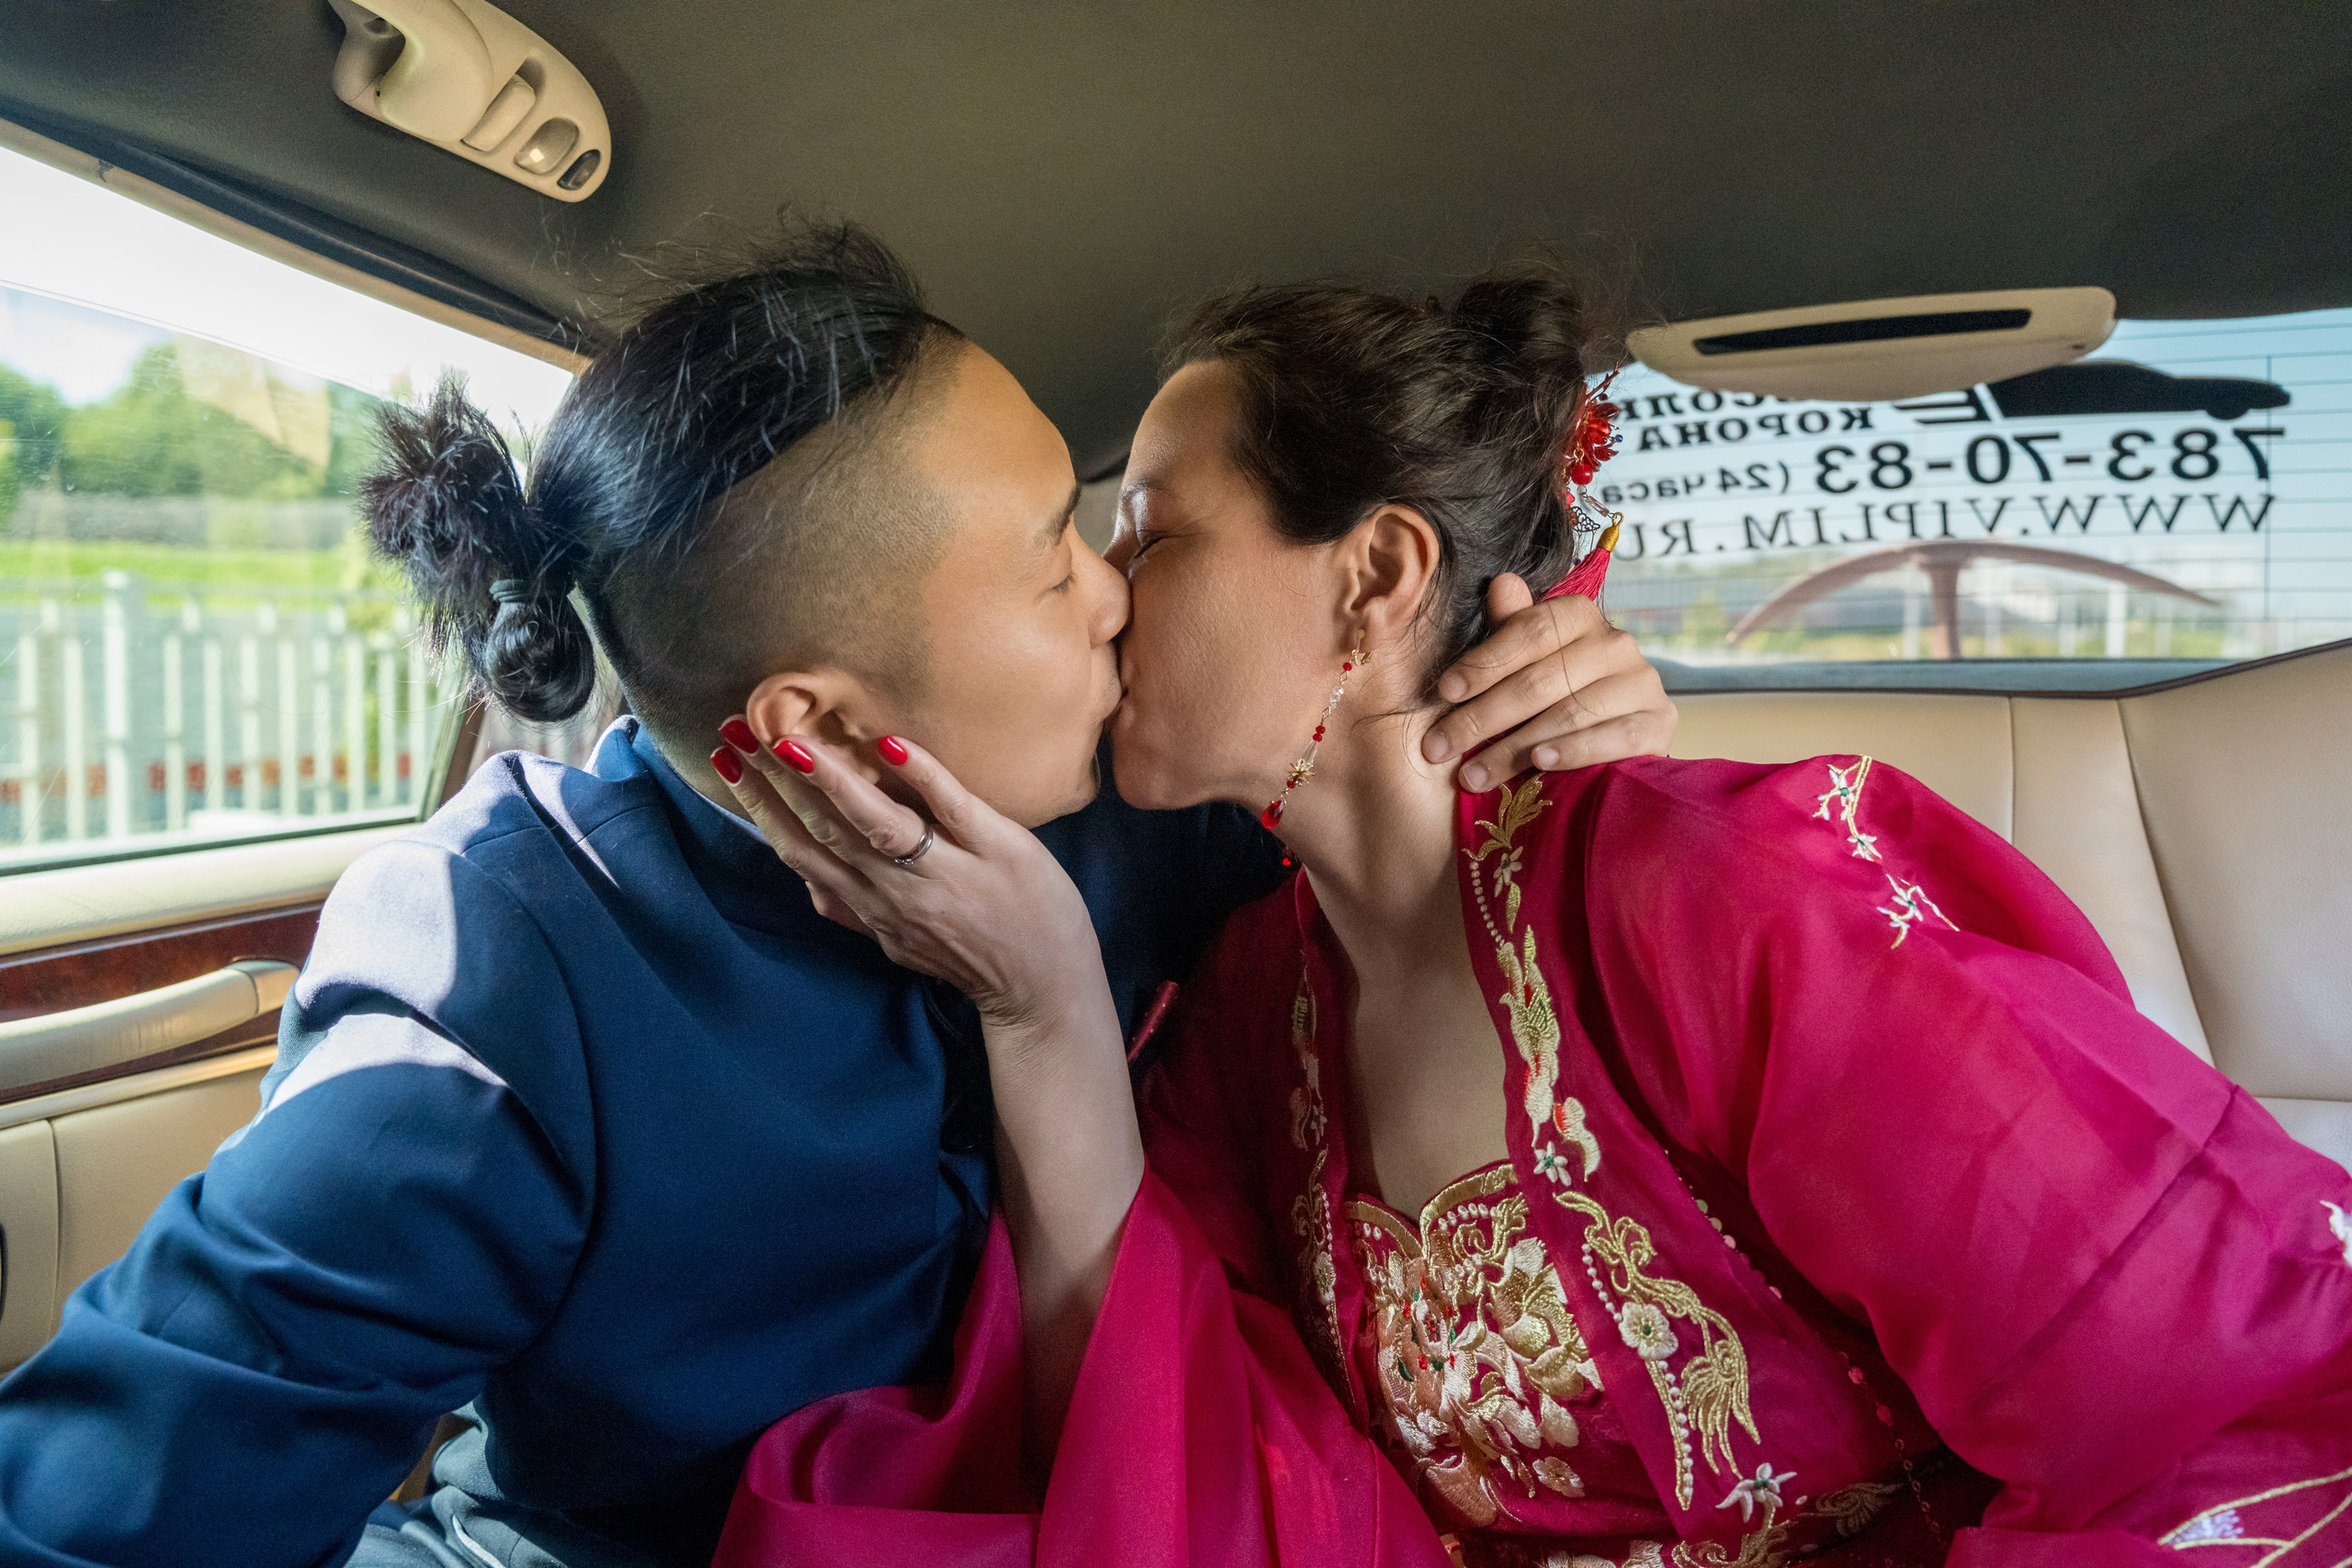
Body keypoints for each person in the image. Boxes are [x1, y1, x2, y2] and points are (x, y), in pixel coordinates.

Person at [0, 229, 1677, 1568]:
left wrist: (1549, 703)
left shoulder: (1146, 813)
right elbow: (124, 1491)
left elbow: (1393, 813)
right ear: (820, 726)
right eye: (1057, 556)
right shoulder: (496, 972)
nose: (1118, 598)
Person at [707, 261, 2352, 1567]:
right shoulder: (1252, 1007)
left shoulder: (1722, 897)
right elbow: (1172, 1427)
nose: (1105, 595)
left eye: (1148, 531)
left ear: (1373, 576)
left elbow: (2221, 1393)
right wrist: (1044, 1004)